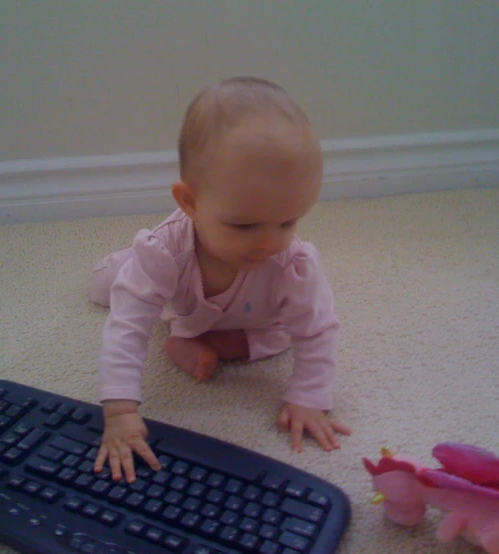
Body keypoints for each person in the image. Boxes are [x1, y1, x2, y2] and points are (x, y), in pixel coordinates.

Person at [91, 76, 351, 483]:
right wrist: (120, 411)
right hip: (178, 291)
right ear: (190, 202)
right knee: (116, 291)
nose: (269, 242)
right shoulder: (165, 253)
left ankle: (191, 340)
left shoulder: (292, 263)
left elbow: (317, 330)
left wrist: (309, 397)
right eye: (244, 224)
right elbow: (126, 328)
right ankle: (153, 295)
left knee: (278, 337)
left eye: (288, 221)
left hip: (257, 317)